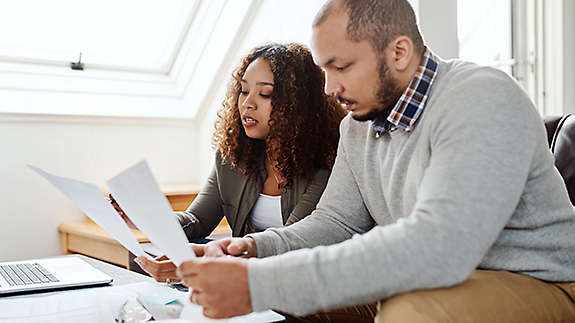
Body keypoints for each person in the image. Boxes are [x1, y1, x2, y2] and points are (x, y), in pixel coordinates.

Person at [175, 0, 575, 321]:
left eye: (342, 67)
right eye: (324, 70)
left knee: (413, 312)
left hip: (542, 280)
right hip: (440, 275)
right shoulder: (357, 127)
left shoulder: (481, 98)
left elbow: (439, 248)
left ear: (398, 52)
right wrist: (252, 249)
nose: (330, 88)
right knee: (291, 299)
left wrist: (258, 284)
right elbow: (336, 222)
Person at [131, 42, 346, 283]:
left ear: (301, 105)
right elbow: (198, 221)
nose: (247, 103)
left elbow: (291, 243)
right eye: (244, 91)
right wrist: (146, 218)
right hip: (242, 265)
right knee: (144, 256)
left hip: (296, 275)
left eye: (265, 94)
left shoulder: (328, 161)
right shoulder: (231, 156)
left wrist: (204, 256)